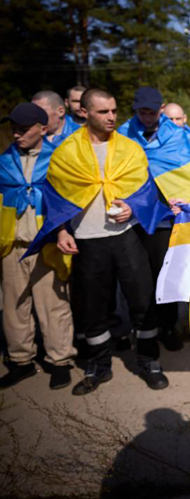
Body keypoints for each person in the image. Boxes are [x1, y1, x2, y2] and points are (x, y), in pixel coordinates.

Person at [28, 88, 170, 395]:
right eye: (103, 112)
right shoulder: (66, 152)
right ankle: (99, 365)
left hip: (126, 237)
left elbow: (146, 191)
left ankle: (148, 359)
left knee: (142, 299)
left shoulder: (130, 149)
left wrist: (134, 207)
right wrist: (62, 231)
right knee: (92, 306)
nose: (111, 117)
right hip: (88, 240)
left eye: (114, 111)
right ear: (84, 113)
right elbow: (56, 196)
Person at [117, 87, 190, 351]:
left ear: (161, 108)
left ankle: (168, 327)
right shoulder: (123, 134)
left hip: (166, 218)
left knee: (162, 273)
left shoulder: (178, 135)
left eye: (151, 111)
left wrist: (185, 199)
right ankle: (142, 328)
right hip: (133, 217)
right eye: (141, 111)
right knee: (135, 276)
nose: (146, 116)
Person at [0, 103, 76, 390]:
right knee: (13, 304)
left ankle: (59, 361)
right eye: (14, 130)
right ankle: (21, 360)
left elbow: (68, 201)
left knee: (53, 304)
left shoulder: (58, 160)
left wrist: (62, 232)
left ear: (42, 129)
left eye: (24, 129)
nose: (17, 135)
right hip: (12, 244)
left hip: (47, 242)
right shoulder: (4, 162)